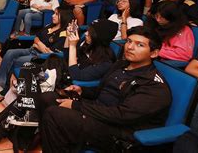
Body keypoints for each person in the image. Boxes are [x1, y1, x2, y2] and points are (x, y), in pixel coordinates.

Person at [38, 26, 171, 152]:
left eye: (140, 45)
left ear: (154, 53)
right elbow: (103, 90)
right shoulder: (122, 65)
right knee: (47, 98)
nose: (130, 47)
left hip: (117, 131)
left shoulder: (154, 85)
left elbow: (122, 115)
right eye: (129, 41)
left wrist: (76, 105)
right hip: (99, 112)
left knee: (55, 114)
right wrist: (82, 90)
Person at [0, 9, 74, 98]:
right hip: (32, 50)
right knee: (9, 53)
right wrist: (39, 44)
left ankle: (2, 88)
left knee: (14, 61)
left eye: (56, 14)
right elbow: (36, 37)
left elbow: (49, 52)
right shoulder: (50, 26)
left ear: (63, 17)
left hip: (41, 58)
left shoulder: (63, 34)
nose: (53, 16)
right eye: (54, 13)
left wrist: (37, 45)